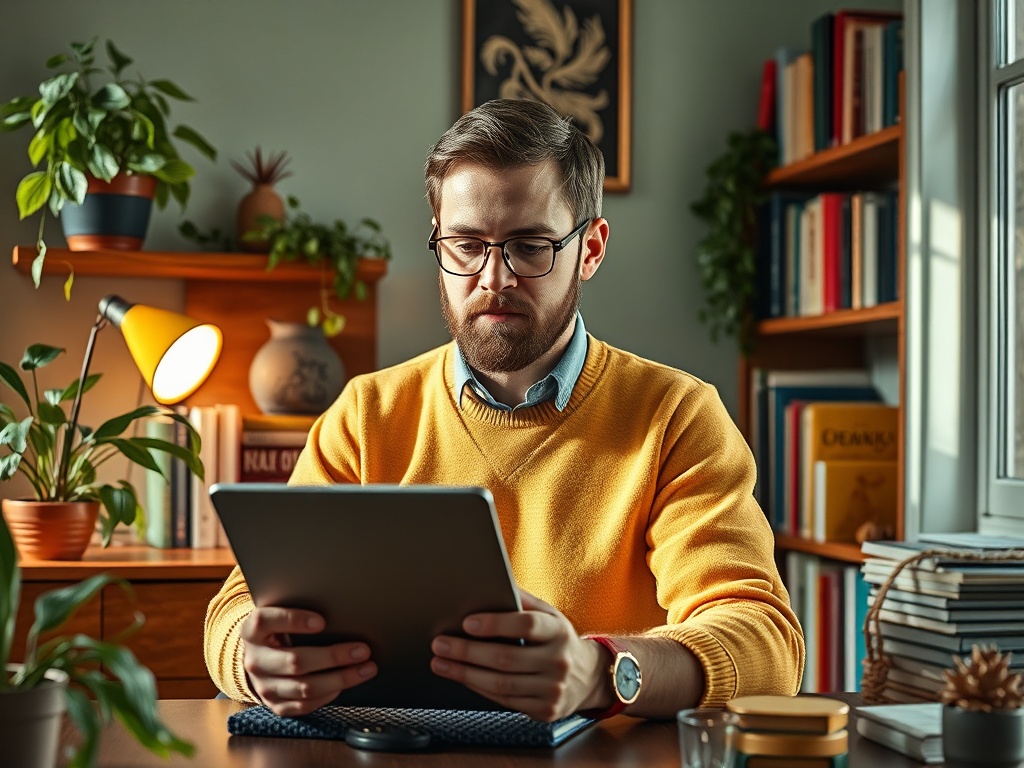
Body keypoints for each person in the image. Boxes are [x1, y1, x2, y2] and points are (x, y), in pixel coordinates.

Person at [204, 99, 804, 722]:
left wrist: (600, 674)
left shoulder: (676, 415)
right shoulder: (366, 414)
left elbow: (765, 640)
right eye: (466, 245)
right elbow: (237, 607)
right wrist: (252, 660)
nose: (494, 278)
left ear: (591, 249)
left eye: (529, 246)